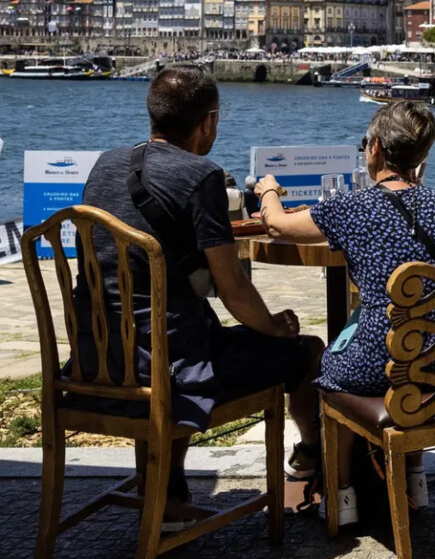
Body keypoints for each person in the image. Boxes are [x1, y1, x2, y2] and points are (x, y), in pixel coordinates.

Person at [71, 66, 322, 532]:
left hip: (97, 361)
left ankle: (165, 488)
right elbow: (233, 289)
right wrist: (273, 326)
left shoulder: (104, 164)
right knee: (306, 353)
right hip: (172, 372)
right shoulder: (201, 175)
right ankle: (314, 464)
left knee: (182, 330)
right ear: (208, 121)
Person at [256, 101, 435, 525]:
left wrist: (268, 189)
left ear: (374, 148)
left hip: (388, 361)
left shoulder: (352, 208)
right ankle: (414, 478)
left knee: (326, 371)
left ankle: (343, 498)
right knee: (408, 347)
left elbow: (278, 226)